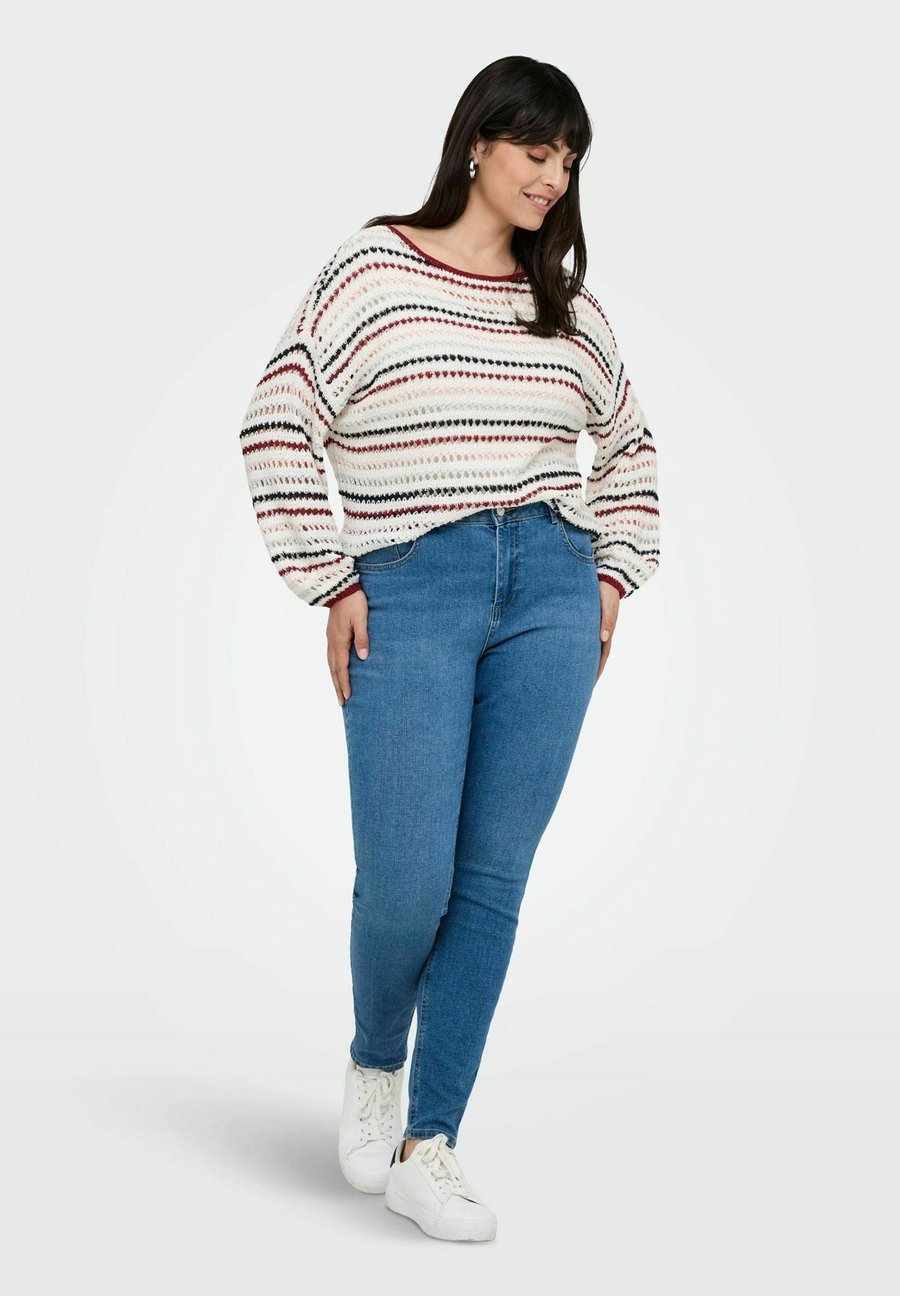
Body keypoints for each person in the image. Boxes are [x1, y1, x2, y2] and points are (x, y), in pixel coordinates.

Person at [238, 55, 661, 1243]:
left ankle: (433, 1143)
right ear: (478, 143)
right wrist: (329, 576)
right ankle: (377, 1058)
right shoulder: (373, 268)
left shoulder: (566, 307)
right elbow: (278, 415)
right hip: (410, 588)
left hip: (550, 591)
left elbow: (630, 444)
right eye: (536, 149)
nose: (553, 176)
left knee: (490, 880)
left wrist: (612, 572)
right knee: (407, 877)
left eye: (569, 159)